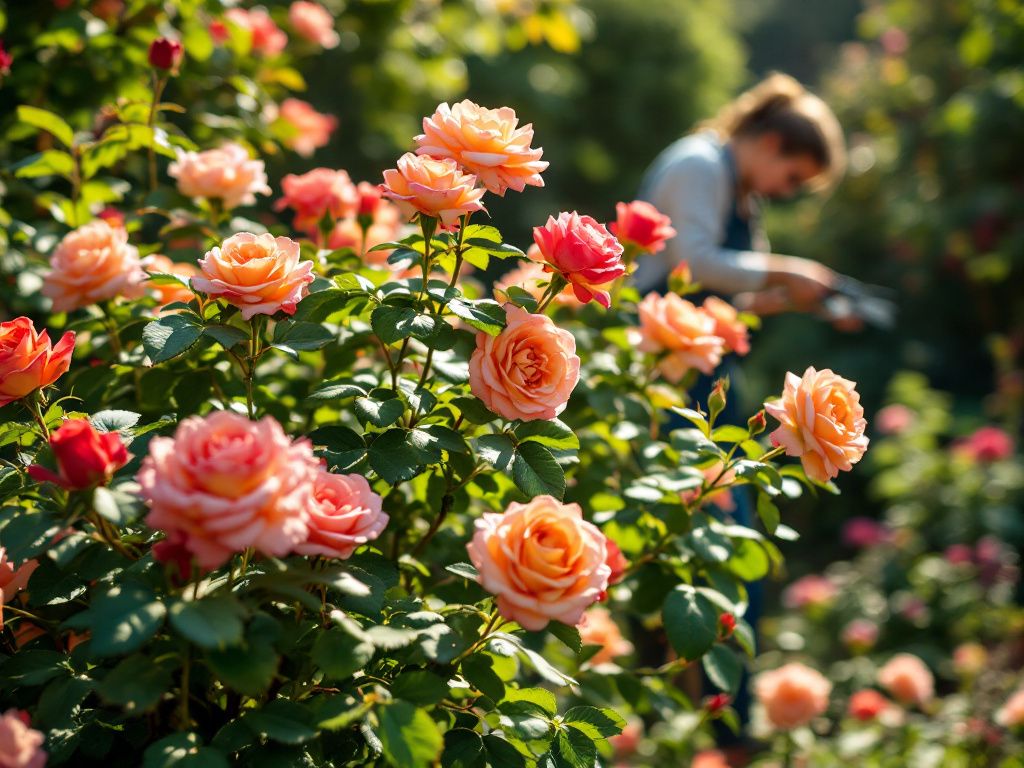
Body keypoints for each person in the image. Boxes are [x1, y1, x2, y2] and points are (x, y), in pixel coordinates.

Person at [633, 72, 847, 321]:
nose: (788, 191)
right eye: (793, 178)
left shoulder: (746, 197)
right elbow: (693, 264)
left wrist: (796, 299)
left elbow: (733, 299)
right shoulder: (699, 164)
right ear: (771, 143)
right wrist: (788, 272)